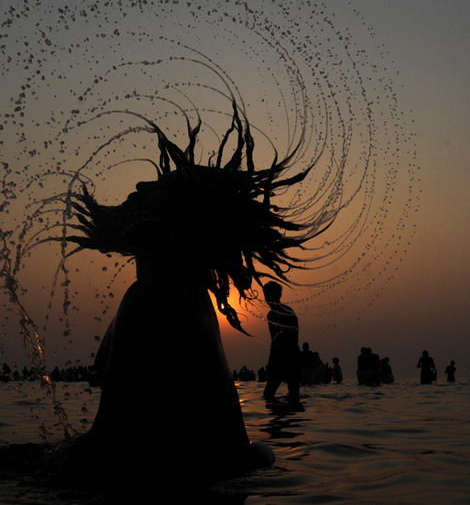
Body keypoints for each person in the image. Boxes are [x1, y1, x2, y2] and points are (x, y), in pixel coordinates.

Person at [62, 101, 333, 486]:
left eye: (161, 189)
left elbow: (108, 448)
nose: (142, 187)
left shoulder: (153, 298)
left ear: (177, 224)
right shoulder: (186, 296)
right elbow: (241, 450)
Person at [262, 282, 301, 403]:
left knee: (293, 393)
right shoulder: (270, 315)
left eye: (269, 295)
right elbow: (274, 338)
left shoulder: (287, 311)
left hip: (289, 355)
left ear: (278, 295)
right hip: (277, 356)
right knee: (269, 394)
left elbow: (293, 336)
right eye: (266, 295)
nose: (267, 298)